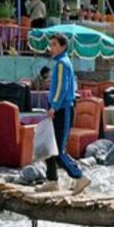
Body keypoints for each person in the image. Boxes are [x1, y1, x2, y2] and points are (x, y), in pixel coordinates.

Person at [39, 33, 91, 195]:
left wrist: (53, 106)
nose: (51, 47)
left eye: (54, 44)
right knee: (49, 146)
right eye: (51, 44)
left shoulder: (62, 64)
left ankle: (79, 176)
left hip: (63, 109)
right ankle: (52, 181)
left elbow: (61, 87)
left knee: (59, 151)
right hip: (58, 108)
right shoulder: (60, 63)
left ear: (62, 46)